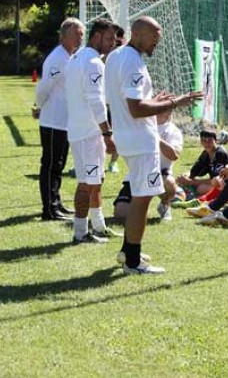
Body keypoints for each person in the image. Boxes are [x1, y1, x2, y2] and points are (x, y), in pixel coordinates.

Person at [105, 15, 202, 274]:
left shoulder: (115, 56)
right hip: (140, 140)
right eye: (154, 36)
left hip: (129, 138)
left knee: (141, 196)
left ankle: (128, 252)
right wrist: (174, 102)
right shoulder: (132, 60)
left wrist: (152, 99)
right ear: (137, 33)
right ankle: (133, 262)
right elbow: (136, 109)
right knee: (142, 199)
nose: (157, 41)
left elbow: (129, 100)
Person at [64, 18, 120, 243]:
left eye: (114, 40)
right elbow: (96, 101)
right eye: (108, 39)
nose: (111, 44)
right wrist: (107, 134)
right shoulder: (93, 62)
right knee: (87, 184)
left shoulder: (76, 57)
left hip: (81, 130)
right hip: (89, 134)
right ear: (96, 36)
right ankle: (80, 232)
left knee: (95, 180)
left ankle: (98, 225)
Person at [36, 18, 85, 221]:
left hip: (64, 122)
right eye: (77, 34)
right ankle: (49, 209)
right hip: (53, 121)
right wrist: (39, 106)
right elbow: (45, 86)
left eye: (82, 34)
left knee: (59, 165)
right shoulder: (57, 58)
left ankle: (56, 203)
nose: (80, 38)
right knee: (51, 165)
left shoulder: (69, 56)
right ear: (64, 35)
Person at [112, 108, 184, 221]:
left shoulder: (173, 131)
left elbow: (174, 155)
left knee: (169, 182)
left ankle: (165, 204)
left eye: (168, 109)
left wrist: (155, 137)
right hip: (138, 173)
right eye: (161, 107)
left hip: (160, 173)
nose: (164, 111)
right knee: (120, 213)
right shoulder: (141, 125)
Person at [177, 129, 228, 197]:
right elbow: (194, 171)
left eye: (210, 140)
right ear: (200, 142)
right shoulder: (205, 154)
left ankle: (226, 197)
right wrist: (185, 176)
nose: (206, 143)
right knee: (183, 180)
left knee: (201, 188)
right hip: (216, 183)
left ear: (215, 140)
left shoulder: (220, 154)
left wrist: (191, 182)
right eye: (204, 140)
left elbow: (217, 180)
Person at [106, 24, 128, 174]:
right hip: (102, 103)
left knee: (118, 134)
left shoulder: (126, 57)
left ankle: (113, 162)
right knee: (95, 133)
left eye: (118, 43)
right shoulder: (101, 58)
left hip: (117, 103)